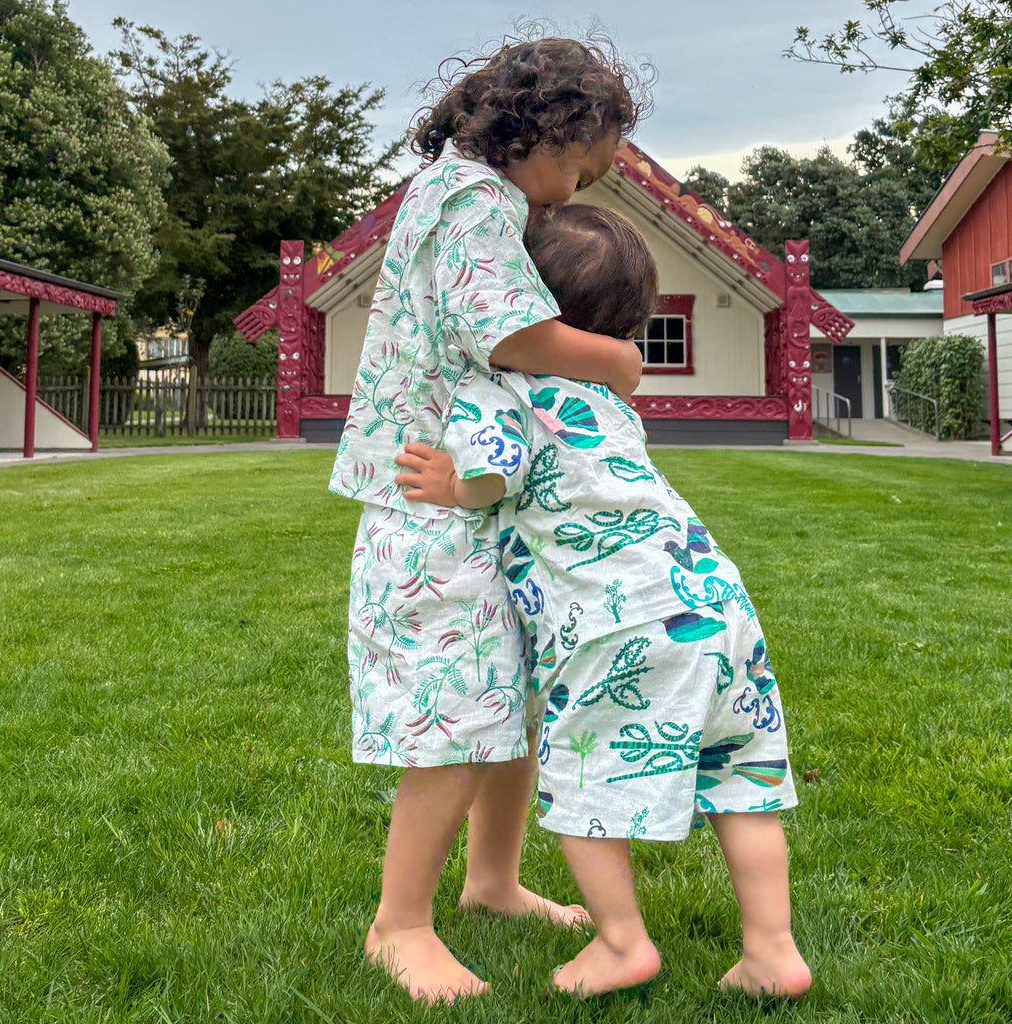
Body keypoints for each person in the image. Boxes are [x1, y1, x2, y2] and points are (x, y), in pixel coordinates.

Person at [395, 204, 812, 999]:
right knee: (742, 780)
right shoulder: (607, 390)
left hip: (616, 621)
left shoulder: (499, 387)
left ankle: (622, 942)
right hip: (714, 600)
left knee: (584, 779)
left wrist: (453, 485)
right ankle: (772, 951)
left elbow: (493, 472)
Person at [329, 39, 648, 1002]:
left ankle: (494, 882)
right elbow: (507, 330)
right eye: (581, 172)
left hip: (470, 487)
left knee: (505, 699)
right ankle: (399, 924)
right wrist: (615, 360)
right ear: (551, 129)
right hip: (434, 499)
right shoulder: (472, 200)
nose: (570, 198)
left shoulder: (468, 195)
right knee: (455, 718)